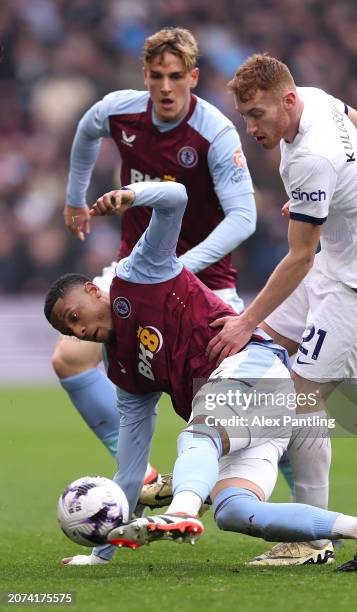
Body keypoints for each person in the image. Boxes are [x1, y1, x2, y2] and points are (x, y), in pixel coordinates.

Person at [45, 182, 357, 572]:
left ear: (91, 290)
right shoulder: (122, 373)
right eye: (69, 330)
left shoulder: (137, 272)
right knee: (234, 511)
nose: (78, 331)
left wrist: (133, 195)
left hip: (252, 369)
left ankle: (180, 511)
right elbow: (132, 470)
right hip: (249, 420)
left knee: (197, 436)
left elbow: (177, 198)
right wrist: (99, 556)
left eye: (74, 316)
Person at [204, 54, 357, 565]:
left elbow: (299, 255)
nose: (251, 127)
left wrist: (245, 318)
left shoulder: (309, 157)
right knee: (265, 355)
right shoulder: (317, 100)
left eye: (257, 114)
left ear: (288, 101)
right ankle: (240, 476)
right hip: (337, 261)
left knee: (298, 401)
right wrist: (319, 201)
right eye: (244, 116)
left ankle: (309, 538)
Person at [52, 28, 256, 462]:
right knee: (70, 356)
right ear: (145, 75)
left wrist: (181, 265)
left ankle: (311, 521)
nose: (166, 86)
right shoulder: (120, 112)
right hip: (134, 273)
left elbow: (244, 218)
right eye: (158, 75)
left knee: (254, 406)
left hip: (203, 282)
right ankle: (140, 478)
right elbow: (87, 131)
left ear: (194, 77)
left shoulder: (215, 133)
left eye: (176, 76)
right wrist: (74, 199)